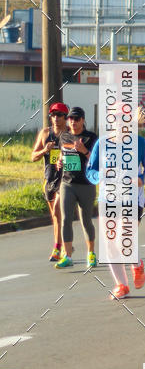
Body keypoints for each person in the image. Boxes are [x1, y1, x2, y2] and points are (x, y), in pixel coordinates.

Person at [86, 121, 145, 300]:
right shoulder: (102, 143)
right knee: (110, 243)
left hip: (131, 198)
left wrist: (140, 178)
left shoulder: (140, 143)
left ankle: (136, 263)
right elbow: (91, 171)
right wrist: (100, 175)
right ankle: (122, 285)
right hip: (108, 199)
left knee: (123, 238)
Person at [55, 107, 98, 269]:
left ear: (82, 120)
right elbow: (62, 153)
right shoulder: (64, 136)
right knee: (65, 219)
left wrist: (84, 151)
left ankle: (91, 253)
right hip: (67, 184)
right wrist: (60, 162)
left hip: (86, 184)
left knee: (86, 220)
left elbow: (97, 162)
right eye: (70, 118)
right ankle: (68, 256)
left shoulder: (91, 137)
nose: (73, 121)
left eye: (76, 119)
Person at [32, 101, 69, 261]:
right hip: (50, 178)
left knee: (57, 211)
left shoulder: (70, 133)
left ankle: (58, 247)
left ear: (65, 117)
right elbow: (33, 157)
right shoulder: (45, 134)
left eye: (59, 115)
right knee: (55, 217)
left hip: (66, 179)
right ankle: (62, 245)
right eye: (53, 115)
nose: (56, 118)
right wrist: (44, 150)